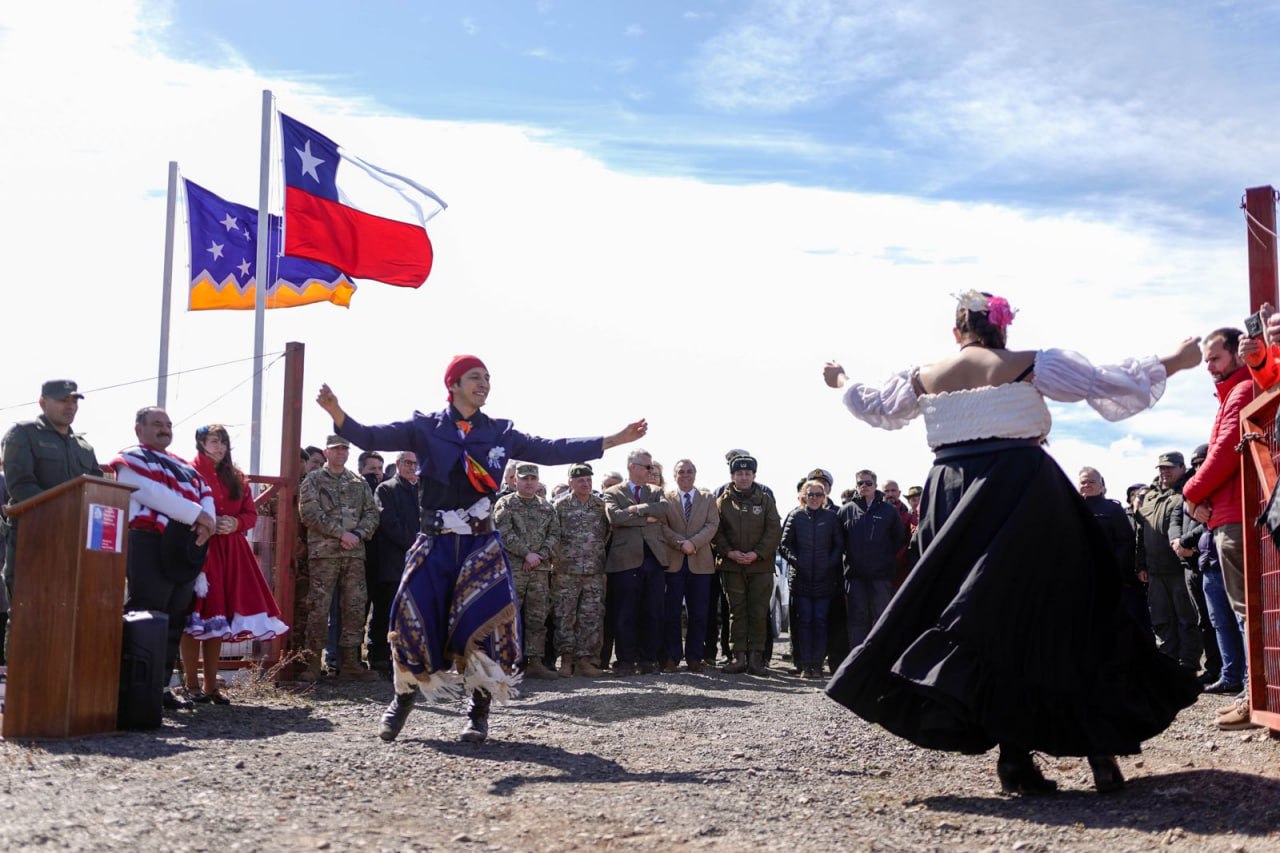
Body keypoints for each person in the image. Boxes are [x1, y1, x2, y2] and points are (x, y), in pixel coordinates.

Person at [822, 289, 1203, 796]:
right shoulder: (1029, 363)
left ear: (956, 331)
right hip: (1025, 492)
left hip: (953, 498)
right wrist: (1175, 360)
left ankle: (1015, 760)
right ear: (1002, 329)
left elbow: (873, 407)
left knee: (985, 625)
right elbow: (1108, 383)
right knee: (1068, 612)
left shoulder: (924, 376)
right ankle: (1100, 754)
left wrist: (842, 379)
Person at [315, 354, 645, 743]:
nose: (484, 383)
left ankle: (478, 712)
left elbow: (551, 448)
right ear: (453, 384)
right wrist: (337, 412)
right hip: (435, 543)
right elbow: (372, 437)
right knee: (412, 620)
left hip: (481, 546)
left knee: (485, 625)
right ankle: (403, 698)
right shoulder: (425, 427)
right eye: (475, 377)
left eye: (488, 378)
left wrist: (612, 440)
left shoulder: (501, 432)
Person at [113, 407, 216, 712]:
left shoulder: (183, 465)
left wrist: (205, 520)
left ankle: (158, 687)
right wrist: (196, 514)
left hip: (183, 545)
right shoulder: (131, 457)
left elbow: (204, 491)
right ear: (139, 429)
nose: (164, 429)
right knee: (146, 613)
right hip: (148, 541)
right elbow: (148, 492)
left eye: (168, 424)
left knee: (174, 616)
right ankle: (130, 688)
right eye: (157, 424)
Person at [180, 425, 289, 703]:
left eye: (223, 442)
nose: (219, 447)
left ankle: (210, 687)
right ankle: (191, 684)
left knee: (217, 619)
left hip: (231, 551)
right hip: (199, 549)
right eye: (214, 441)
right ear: (200, 443)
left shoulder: (236, 477)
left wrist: (235, 523)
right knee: (195, 617)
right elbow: (178, 508)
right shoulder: (187, 472)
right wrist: (206, 522)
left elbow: (250, 515)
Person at [1, 380, 103, 597]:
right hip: (34, 537)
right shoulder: (23, 434)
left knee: (68, 611)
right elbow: (21, 485)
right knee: (25, 612)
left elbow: (99, 491)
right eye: (62, 400)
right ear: (42, 402)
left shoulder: (84, 447)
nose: (70, 406)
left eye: (74, 401)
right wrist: (63, 512)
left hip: (76, 542)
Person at [297, 435, 380, 683]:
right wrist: (340, 533)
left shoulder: (359, 482)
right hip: (324, 554)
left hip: (353, 554)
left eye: (345, 449)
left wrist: (357, 534)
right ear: (326, 452)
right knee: (318, 608)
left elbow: (372, 514)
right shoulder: (313, 480)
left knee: (354, 606)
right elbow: (309, 513)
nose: (341, 453)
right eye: (336, 449)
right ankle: (312, 663)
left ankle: (350, 662)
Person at [712, 455, 782, 676]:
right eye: (739, 473)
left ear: (754, 475)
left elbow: (774, 531)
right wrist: (729, 552)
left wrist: (756, 553)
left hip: (760, 565)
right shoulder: (722, 501)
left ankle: (756, 657)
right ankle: (738, 656)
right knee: (736, 611)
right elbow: (716, 530)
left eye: (748, 473)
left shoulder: (766, 500)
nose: (744, 477)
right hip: (731, 565)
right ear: (732, 476)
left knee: (759, 611)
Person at [604, 448, 670, 675]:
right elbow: (615, 518)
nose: (651, 470)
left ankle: (648, 659)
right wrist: (645, 518)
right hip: (625, 561)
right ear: (632, 466)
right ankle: (625, 660)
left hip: (653, 559)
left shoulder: (656, 490)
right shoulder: (613, 492)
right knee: (625, 613)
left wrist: (634, 509)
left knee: (652, 611)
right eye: (647, 466)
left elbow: (662, 509)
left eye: (651, 467)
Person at [493, 463, 561, 680]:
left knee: (537, 618)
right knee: (508, 617)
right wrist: (526, 554)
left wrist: (538, 555)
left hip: (539, 571)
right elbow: (504, 533)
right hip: (514, 570)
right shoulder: (505, 503)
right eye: (524, 479)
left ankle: (535, 661)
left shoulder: (546, 507)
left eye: (533, 478)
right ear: (515, 481)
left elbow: (555, 534)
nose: (529, 482)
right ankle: (504, 663)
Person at [659, 459, 720, 672]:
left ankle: (695, 656)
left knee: (699, 613)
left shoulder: (708, 498)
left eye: (689, 471)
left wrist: (693, 543)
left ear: (695, 474)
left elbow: (712, 524)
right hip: (674, 562)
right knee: (672, 612)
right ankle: (673, 656)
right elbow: (662, 526)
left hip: (700, 562)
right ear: (674, 475)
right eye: (680, 472)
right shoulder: (665, 498)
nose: (685, 475)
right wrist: (680, 543)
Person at [780, 478, 843, 679]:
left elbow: (839, 545)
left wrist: (829, 563)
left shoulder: (831, 518)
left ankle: (818, 664)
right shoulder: (795, 516)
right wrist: (797, 561)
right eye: (811, 494)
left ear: (824, 497)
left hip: (825, 579)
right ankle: (806, 665)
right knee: (805, 621)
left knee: (821, 621)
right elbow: (784, 544)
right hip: (801, 579)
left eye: (819, 495)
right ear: (803, 497)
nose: (815, 498)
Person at [551, 463, 608, 677]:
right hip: (566, 571)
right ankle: (566, 660)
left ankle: (585, 660)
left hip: (594, 570)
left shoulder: (600, 505)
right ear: (571, 483)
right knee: (564, 616)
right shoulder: (559, 506)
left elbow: (607, 534)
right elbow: (553, 535)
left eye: (588, 480)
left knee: (591, 616)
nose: (585, 484)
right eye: (580, 481)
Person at [838, 470, 906, 649]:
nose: (864, 486)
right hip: (855, 577)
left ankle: (879, 662)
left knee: (881, 619)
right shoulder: (846, 511)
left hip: (881, 576)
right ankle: (856, 664)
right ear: (856, 486)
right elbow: (839, 542)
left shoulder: (889, 511)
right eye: (860, 483)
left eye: (868, 483)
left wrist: (883, 559)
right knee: (857, 621)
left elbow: (898, 539)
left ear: (875, 486)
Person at [1077, 466, 1148, 635]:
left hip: (1111, 579)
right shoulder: (1071, 507)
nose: (1087, 485)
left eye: (1092, 481)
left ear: (1101, 486)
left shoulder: (1113, 509)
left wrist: (1109, 569)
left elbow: (1126, 542)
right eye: (1083, 482)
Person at [368, 451, 420, 673]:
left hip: (419, 564)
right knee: (386, 612)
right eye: (407, 463)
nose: (412, 467)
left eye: (416, 464)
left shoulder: (424, 490)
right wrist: (416, 543)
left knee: (413, 615)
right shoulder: (386, 489)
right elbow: (388, 523)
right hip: (393, 563)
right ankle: (379, 658)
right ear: (398, 464)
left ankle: (408, 659)